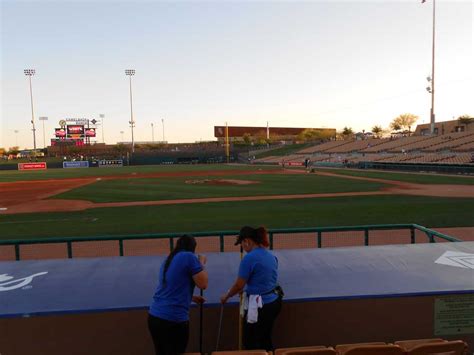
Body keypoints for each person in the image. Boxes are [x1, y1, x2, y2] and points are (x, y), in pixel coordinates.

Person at [220, 226, 283, 351]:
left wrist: (226, 296)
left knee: (250, 341)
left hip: (261, 306)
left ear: (247, 241)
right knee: (265, 338)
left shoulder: (248, 259)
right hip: (274, 302)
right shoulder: (270, 256)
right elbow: (263, 279)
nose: (243, 247)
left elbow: (239, 285)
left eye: (242, 243)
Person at [148, 235, 208, 355]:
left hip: (155, 317)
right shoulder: (188, 256)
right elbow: (203, 284)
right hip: (173, 320)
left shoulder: (168, 260)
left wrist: (191, 298)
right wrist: (201, 262)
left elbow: (171, 288)